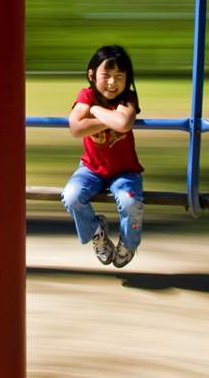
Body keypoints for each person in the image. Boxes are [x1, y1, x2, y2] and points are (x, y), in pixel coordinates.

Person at [62, 45, 143, 268]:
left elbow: (123, 123)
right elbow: (76, 128)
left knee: (130, 202)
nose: (111, 82)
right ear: (92, 75)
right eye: (105, 75)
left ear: (127, 78)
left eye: (119, 76)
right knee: (71, 196)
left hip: (124, 170)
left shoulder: (128, 98)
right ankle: (96, 233)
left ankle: (128, 244)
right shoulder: (86, 95)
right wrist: (109, 116)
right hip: (91, 168)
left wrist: (95, 111)